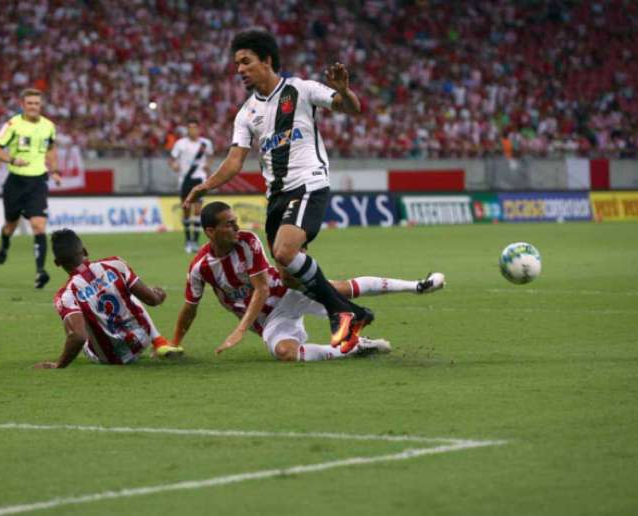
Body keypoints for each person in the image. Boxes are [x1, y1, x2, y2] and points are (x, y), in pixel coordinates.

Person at [184, 29, 372, 353]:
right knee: (288, 277)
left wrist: (343, 90)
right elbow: (234, 161)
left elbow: (351, 108)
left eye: (246, 61)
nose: (239, 69)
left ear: (267, 60)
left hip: (308, 182)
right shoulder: (246, 114)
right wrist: (205, 185)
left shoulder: (300, 89)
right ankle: (351, 313)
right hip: (277, 197)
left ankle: (344, 312)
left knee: (284, 252)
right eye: (237, 64)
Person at [171, 202, 445, 362]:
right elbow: (189, 307)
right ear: (210, 231)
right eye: (228, 224)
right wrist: (174, 342)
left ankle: (417, 285)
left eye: (235, 221)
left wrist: (240, 329)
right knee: (285, 353)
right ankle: (353, 348)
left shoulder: (247, 242)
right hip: (269, 322)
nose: (236, 227)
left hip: (286, 293)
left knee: (338, 287)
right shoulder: (200, 268)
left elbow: (262, 288)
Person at [34, 229, 183, 369]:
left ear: (57, 263)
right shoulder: (115, 264)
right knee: (130, 295)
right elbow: (152, 300)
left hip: (111, 358)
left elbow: (78, 336)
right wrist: (158, 295)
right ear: (85, 251)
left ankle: (114, 340)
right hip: (140, 341)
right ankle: (158, 342)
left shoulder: (66, 294)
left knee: (78, 316)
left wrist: (59, 364)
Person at [0, 88, 62, 289]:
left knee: (39, 226)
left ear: (41, 106)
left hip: (38, 182)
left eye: (36, 103)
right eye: (29, 103)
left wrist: (55, 171)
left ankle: (40, 272)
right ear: (23, 104)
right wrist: (12, 159)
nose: (33, 107)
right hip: (15, 182)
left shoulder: (49, 126)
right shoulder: (13, 124)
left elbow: (50, 150)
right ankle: (4, 244)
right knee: (10, 226)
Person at [169, 118, 214, 253]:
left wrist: (208, 165)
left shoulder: (205, 143)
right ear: (187, 129)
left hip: (200, 179)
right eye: (190, 128)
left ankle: (195, 241)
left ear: (199, 129)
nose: (192, 130)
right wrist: (174, 165)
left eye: (194, 128)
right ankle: (188, 240)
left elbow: (210, 156)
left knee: (198, 211)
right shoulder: (180, 144)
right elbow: (171, 159)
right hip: (185, 180)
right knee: (186, 210)